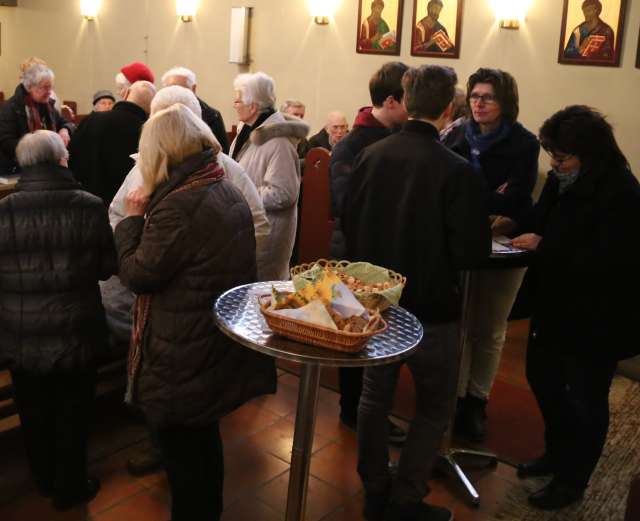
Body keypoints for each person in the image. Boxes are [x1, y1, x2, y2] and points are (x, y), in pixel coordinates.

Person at [115, 104, 277, 521]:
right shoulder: (222, 185)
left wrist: (132, 221)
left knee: (185, 458)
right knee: (202, 445)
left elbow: (138, 274)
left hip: (182, 345)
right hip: (210, 337)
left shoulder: (179, 204)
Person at [345, 65, 490, 521]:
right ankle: (406, 498)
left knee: (374, 399)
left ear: (406, 101)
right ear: (451, 109)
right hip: (432, 309)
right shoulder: (457, 170)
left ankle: (374, 488)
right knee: (432, 407)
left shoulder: (373, 155)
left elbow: (349, 223)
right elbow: (471, 252)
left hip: (377, 304)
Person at [511, 105, 640, 510]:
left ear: (591, 153)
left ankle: (572, 480)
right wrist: (516, 227)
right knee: (543, 378)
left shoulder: (622, 191)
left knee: (586, 398)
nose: (554, 163)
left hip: (599, 314)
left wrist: (544, 245)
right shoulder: (564, 179)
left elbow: (610, 259)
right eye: (551, 154)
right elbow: (540, 218)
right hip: (555, 303)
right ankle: (556, 453)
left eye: (562, 156)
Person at [0, 130, 116, 511]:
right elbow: (105, 268)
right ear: (62, 159)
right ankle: (71, 487)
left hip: (20, 331)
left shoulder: (5, 209)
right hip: (75, 329)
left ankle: (45, 479)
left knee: (33, 410)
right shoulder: (89, 205)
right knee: (73, 411)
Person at [442, 68, 539, 442]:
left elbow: (516, 197)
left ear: (506, 103)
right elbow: (449, 188)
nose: (479, 103)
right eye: (475, 96)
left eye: (489, 97)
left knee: (491, 328)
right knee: (462, 324)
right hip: (464, 240)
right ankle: (456, 394)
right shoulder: (455, 134)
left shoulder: (523, 142)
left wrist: (486, 202)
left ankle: (476, 402)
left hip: (508, 243)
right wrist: (488, 199)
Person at [329, 61, 409, 445]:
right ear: (391, 101)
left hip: (387, 250)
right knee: (355, 336)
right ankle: (353, 412)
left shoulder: (400, 136)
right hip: (358, 253)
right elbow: (345, 203)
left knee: (382, 337)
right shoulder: (352, 144)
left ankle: (371, 409)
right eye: (409, 100)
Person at [229, 71, 309, 281]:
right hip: (247, 228)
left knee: (261, 298)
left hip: (267, 235)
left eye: (237, 100)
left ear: (253, 106)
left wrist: (240, 196)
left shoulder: (278, 141)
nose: (233, 104)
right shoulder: (246, 131)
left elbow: (283, 193)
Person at [68, 80, 156, 204]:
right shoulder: (148, 132)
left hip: (86, 203)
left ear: (125, 94)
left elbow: (70, 159)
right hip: (127, 207)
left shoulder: (91, 121)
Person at [0, 63, 74, 176]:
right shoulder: (11, 108)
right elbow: (6, 142)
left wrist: (65, 130)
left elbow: (66, 123)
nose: (50, 92)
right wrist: (40, 148)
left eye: (51, 87)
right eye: (45, 87)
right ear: (29, 87)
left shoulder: (47, 105)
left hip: (48, 167)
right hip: (19, 170)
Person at [161, 66, 230, 153]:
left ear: (193, 88)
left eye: (180, 89)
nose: (174, 94)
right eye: (170, 90)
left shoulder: (211, 116)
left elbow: (221, 153)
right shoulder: (160, 113)